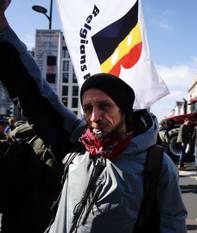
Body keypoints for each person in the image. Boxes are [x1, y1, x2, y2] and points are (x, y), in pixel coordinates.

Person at [0, 2, 187, 232]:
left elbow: (172, 224)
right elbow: (35, 96)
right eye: (87, 108)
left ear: (125, 112)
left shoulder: (156, 165)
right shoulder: (78, 146)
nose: (94, 116)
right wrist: (3, 32)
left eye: (104, 106)